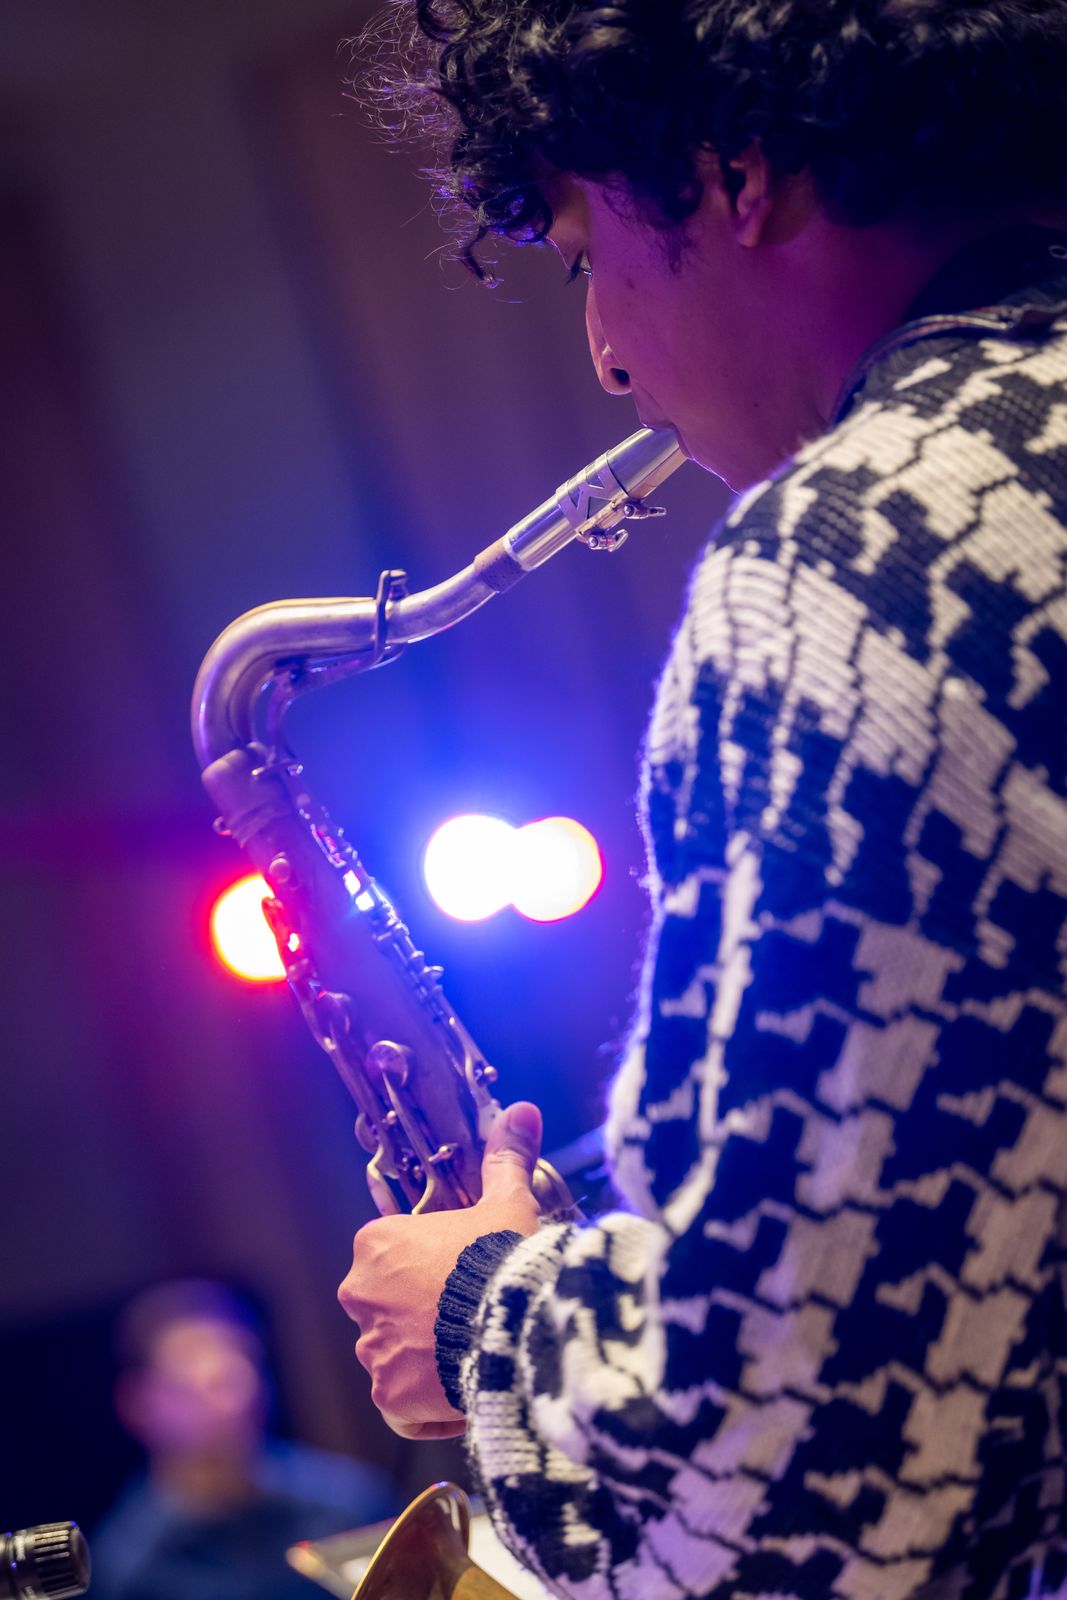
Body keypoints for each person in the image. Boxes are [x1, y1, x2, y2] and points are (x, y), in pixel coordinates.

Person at [337, 4, 1067, 1596]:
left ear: (735, 174)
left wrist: (478, 1309)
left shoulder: (867, 548)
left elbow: (802, 1492)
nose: (605, 354)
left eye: (586, 254)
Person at [91, 1280, 398, 1600]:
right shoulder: (128, 1567)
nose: (234, 1399)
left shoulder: (352, 1505)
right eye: (195, 1380)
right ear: (138, 1404)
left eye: (239, 1366)